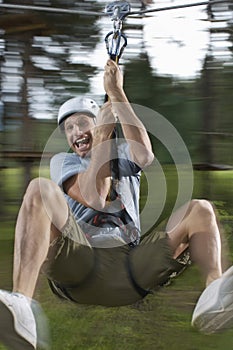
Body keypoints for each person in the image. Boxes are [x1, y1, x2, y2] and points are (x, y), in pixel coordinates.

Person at [0, 58, 233, 349]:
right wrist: (100, 138)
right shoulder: (65, 162)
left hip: (130, 267)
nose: (75, 133)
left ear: (99, 122)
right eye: (69, 128)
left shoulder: (121, 152)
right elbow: (95, 196)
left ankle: (214, 295)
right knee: (38, 189)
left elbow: (145, 156)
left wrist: (117, 93)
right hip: (80, 264)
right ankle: (22, 305)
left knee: (200, 209)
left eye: (81, 122)